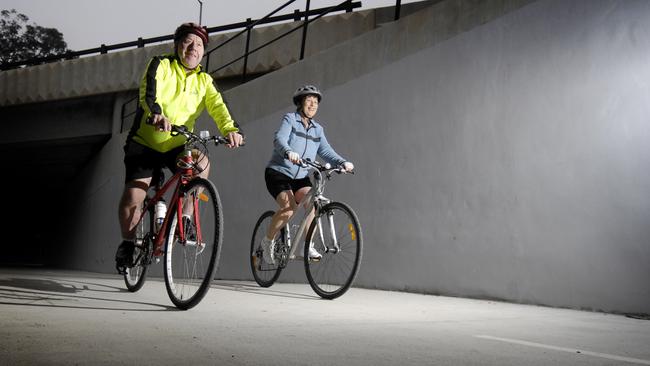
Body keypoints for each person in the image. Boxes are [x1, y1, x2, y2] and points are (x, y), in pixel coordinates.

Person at [115, 22, 244, 273]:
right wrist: (156, 113)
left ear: (203, 52)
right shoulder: (161, 64)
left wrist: (231, 130)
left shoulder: (205, 81)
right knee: (134, 198)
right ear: (178, 45)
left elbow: (219, 108)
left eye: (199, 45)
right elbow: (148, 93)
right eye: (188, 42)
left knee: (202, 164)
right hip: (145, 142)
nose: (193, 48)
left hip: (177, 143)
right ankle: (128, 243)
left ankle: (183, 219)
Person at [260, 85, 354, 265]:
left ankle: (308, 245)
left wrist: (342, 162)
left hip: (300, 176)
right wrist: (288, 152)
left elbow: (326, 151)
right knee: (289, 208)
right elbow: (279, 138)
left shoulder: (318, 129)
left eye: (316, 102)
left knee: (313, 203)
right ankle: (268, 241)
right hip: (278, 172)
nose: (312, 105)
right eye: (309, 101)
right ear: (300, 103)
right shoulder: (290, 119)